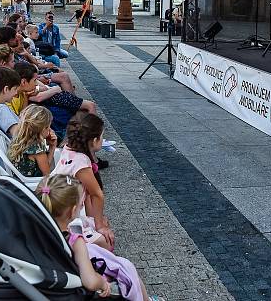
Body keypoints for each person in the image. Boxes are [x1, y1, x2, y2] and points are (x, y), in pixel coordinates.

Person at [35, 175, 159, 301]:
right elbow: (90, 281)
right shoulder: (75, 241)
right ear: (72, 211)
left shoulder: (38, 233)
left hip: (54, 280)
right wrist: (102, 283)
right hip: (79, 285)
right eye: (80, 204)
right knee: (127, 268)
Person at [52, 114, 114, 249]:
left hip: (62, 212)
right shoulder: (81, 163)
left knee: (103, 223)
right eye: (102, 136)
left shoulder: (69, 148)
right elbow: (97, 194)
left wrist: (95, 220)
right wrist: (99, 226)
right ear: (94, 140)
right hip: (65, 220)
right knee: (107, 243)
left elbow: (88, 196)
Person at [8, 105, 56, 178]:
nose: (50, 129)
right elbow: (47, 175)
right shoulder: (37, 150)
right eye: (49, 126)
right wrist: (52, 147)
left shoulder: (20, 138)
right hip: (30, 185)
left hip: (17, 179)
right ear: (43, 129)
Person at [0, 66, 21, 136]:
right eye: (15, 89)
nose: (16, 92)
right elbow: (17, 134)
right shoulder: (2, 110)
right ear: (6, 89)